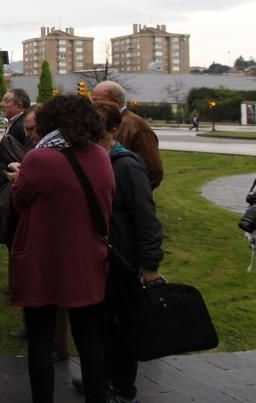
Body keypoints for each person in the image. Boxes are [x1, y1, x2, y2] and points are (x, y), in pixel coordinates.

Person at [9, 95, 115, 403]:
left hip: (45, 260)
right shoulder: (100, 155)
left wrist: (19, 179)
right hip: (88, 260)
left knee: (41, 341)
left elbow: (20, 201)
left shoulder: (40, 159)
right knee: (89, 339)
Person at [95, 100, 164, 403]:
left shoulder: (126, 164)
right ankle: (102, 377)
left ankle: (123, 387)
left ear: (113, 129)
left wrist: (149, 264)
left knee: (121, 325)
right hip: (98, 259)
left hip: (124, 259)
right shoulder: (93, 160)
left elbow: (146, 216)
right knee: (101, 323)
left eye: (96, 126)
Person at [91, 81, 163, 189]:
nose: (93, 104)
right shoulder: (99, 123)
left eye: (97, 100)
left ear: (115, 102)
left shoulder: (137, 126)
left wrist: (133, 195)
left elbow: (154, 170)